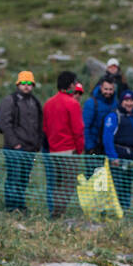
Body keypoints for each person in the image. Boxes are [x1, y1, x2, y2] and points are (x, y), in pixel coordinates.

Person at [0, 71, 45, 212]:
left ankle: (21, 205)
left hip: (30, 149)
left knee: (24, 178)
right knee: (14, 177)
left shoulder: (35, 102)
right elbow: (5, 123)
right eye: (23, 83)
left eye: (29, 83)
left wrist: (37, 144)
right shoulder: (10, 100)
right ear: (18, 84)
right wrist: (15, 144)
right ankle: (12, 207)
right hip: (14, 148)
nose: (26, 86)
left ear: (33, 85)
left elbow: (39, 125)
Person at [43, 71, 84, 219]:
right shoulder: (73, 103)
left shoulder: (48, 103)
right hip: (69, 150)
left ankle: (55, 212)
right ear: (71, 85)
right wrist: (79, 150)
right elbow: (78, 130)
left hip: (53, 150)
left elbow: (45, 128)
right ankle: (58, 214)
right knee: (67, 184)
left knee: (57, 182)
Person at [103, 90, 133, 209]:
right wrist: (113, 157)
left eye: (131, 100)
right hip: (118, 160)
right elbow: (107, 138)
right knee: (116, 188)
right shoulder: (114, 116)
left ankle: (125, 212)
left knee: (127, 187)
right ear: (121, 102)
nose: (129, 103)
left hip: (131, 160)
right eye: (126, 100)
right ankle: (115, 214)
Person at [81, 75, 118, 159]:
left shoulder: (116, 104)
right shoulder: (91, 103)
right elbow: (85, 127)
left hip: (109, 148)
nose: (108, 92)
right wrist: (90, 147)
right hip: (94, 147)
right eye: (106, 89)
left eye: (110, 89)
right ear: (101, 87)